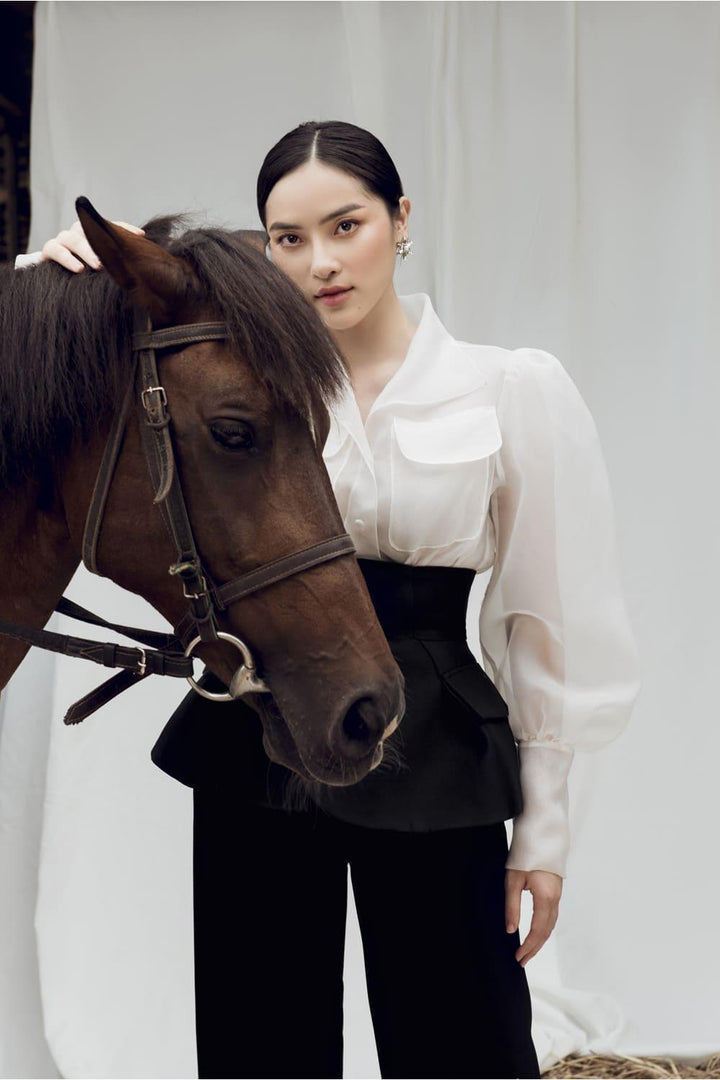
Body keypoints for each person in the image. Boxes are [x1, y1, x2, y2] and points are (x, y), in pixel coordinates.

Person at [20, 119, 641, 1080]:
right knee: (259, 1049)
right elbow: (98, 333)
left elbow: (547, 622)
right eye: (289, 238)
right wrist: (63, 268)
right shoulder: (241, 382)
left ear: (401, 220)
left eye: (346, 226)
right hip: (258, 727)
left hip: (435, 742)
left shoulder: (505, 388)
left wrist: (544, 834)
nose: (321, 262)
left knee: (464, 1047)